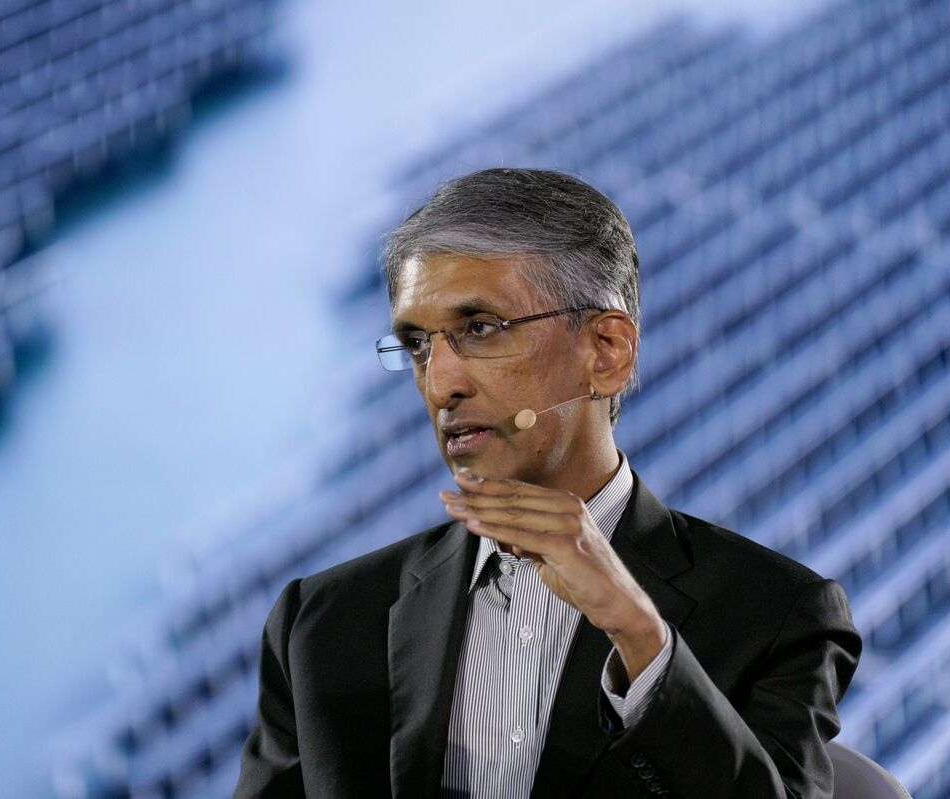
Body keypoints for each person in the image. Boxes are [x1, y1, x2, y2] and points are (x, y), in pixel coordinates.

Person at [234, 168, 861, 798]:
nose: (440, 383)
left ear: (607, 351)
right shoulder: (319, 624)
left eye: (480, 328)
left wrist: (639, 637)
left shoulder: (780, 615)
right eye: (418, 344)